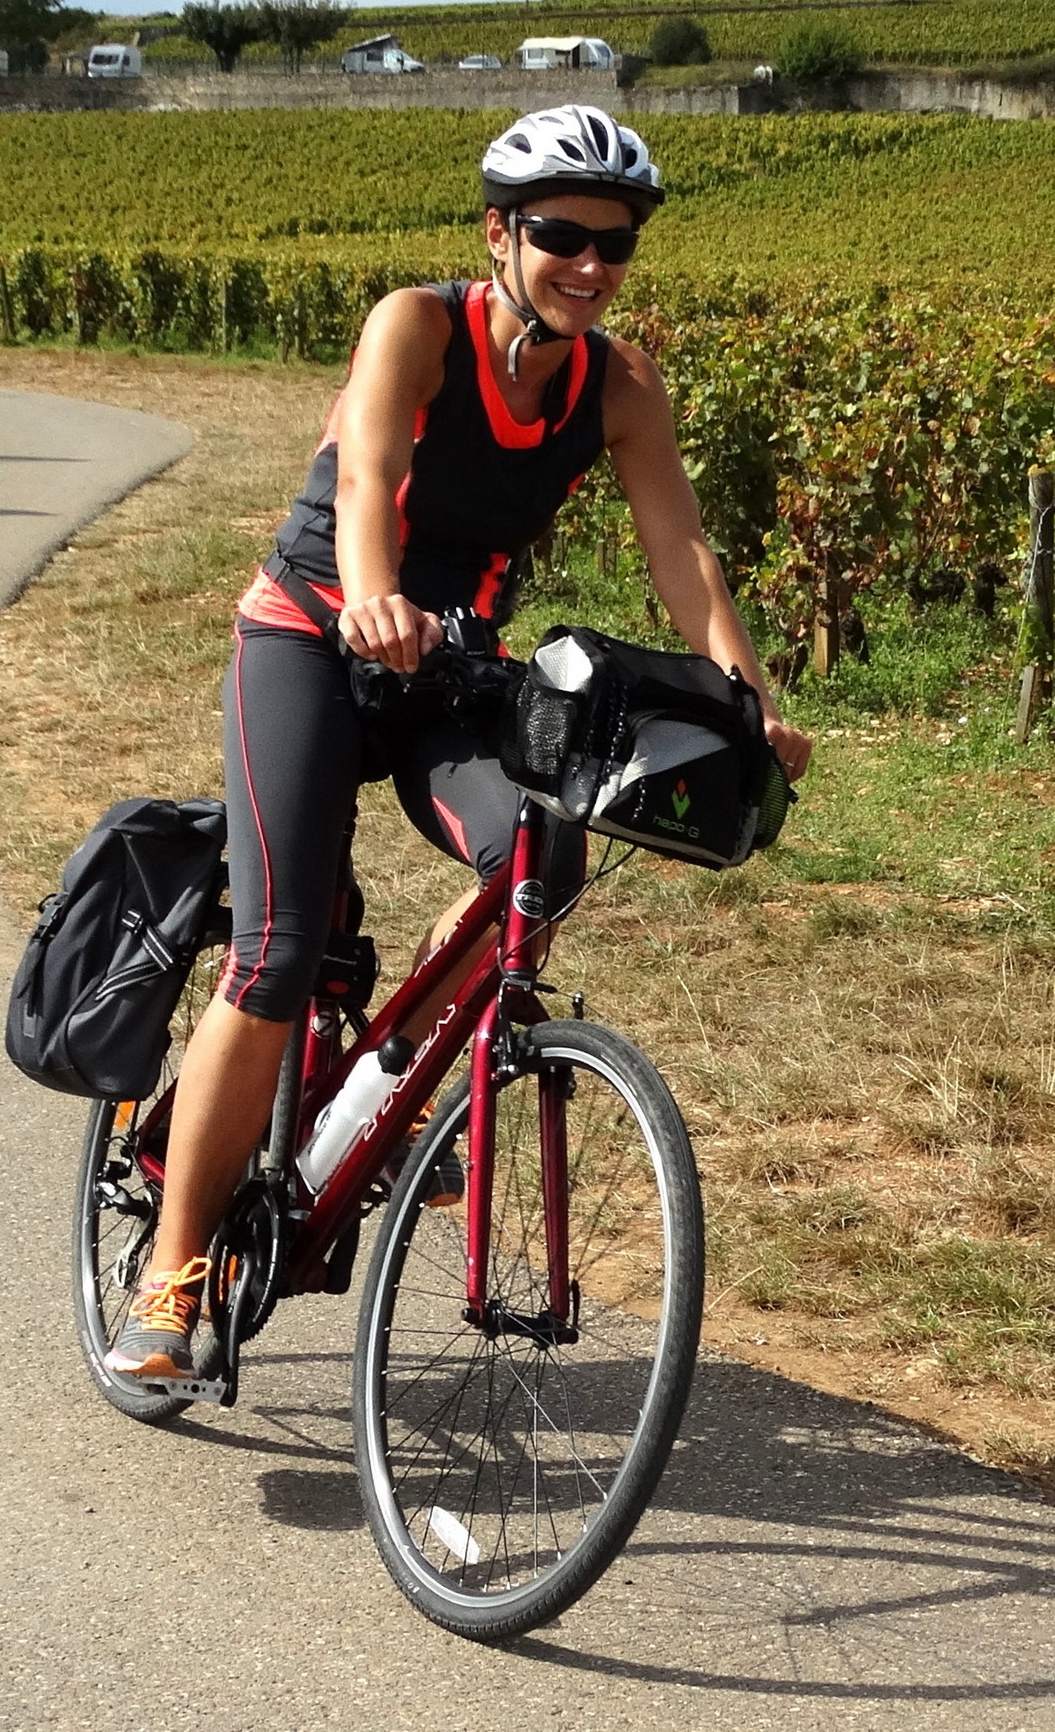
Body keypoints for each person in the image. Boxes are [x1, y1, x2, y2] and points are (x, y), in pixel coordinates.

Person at [108, 105, 814, 1380]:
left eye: (616, 244)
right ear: (500, 233)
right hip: (315, 637)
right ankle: (172, 1268)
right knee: (271, 964)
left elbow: (680, 548)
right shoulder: (415, 324)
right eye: (562, 237)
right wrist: (373, 594)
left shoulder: (620, 382)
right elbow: (370, 475)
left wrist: (744, 698)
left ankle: (387, 1085)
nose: (591, 266)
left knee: (543, 860)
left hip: (454, 666)